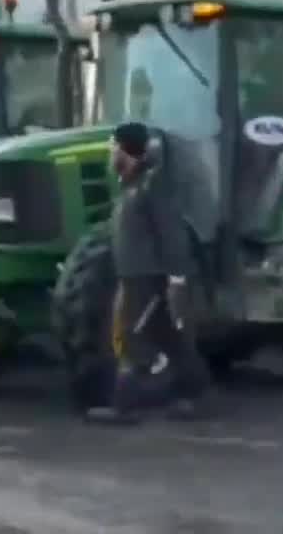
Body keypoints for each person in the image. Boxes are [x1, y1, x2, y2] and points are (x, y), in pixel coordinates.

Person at [85, 122, 212, 426]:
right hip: (135, 275)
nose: (110, 152)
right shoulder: (130, 185)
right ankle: (190, 397)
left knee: (132, 336)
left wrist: (177, 278)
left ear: (126, 150)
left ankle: (125, 406)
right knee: (172, 336)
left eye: (113, 146)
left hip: (149, 277)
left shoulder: (153, 186)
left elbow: (171, 234)